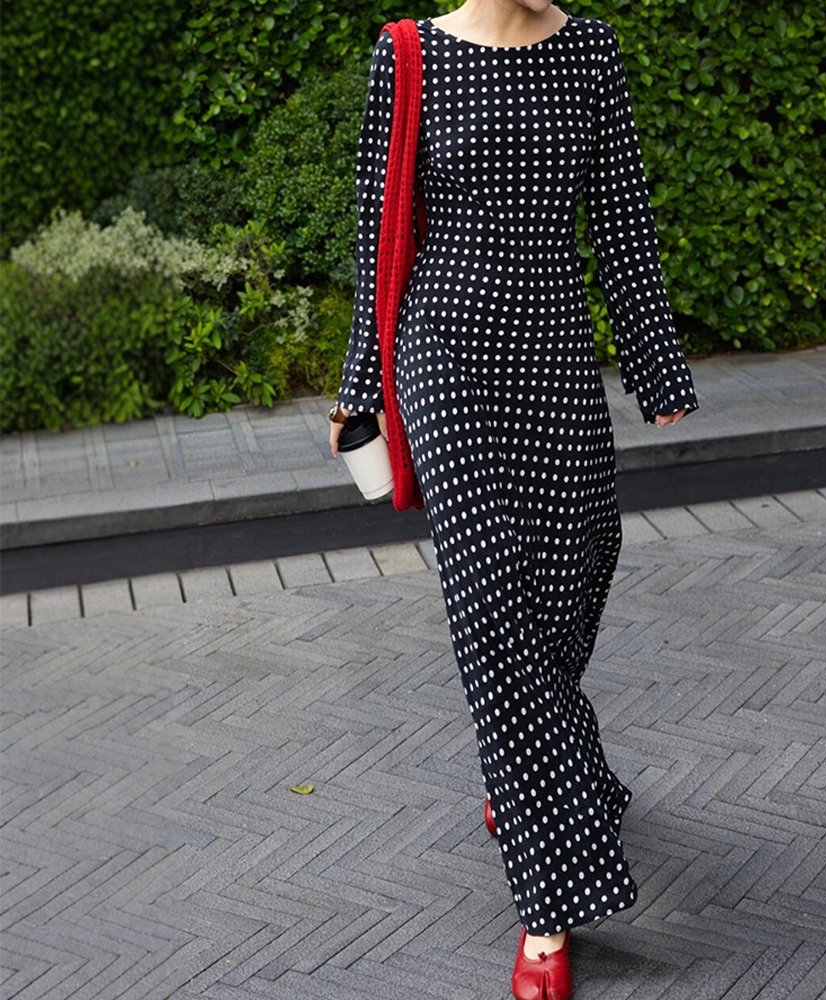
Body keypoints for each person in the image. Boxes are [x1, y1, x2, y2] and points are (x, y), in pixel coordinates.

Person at [329, 3, 699, 996]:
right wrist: (362, 386)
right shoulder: (409, 54)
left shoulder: (590, 50)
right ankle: (548, 905)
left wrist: (655, 365)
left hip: (553, 348)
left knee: (578, 567)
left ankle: (529, 765)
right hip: (443, 349)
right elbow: (377, 232)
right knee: (491, 596)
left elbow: (620, 219)